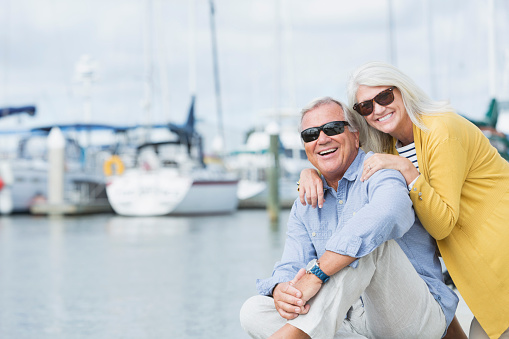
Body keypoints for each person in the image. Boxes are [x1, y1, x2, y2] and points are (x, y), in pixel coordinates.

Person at [298, 62, 509, 339]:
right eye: (366, 107)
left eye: (384, 97)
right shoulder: (388, 146)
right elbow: (347, 163)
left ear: (402, 91)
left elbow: (442, 224)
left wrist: (407, 171)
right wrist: (310, 173)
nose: (378, 109)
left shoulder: (441, 130)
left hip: (498, 250)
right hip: (471, 263)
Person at [240, 97, 458, 339]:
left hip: (412, 318)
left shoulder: (379, 170)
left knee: (367, 244)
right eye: (311, 135)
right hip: (351, 321)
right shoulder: (305, 200)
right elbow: (292, 263)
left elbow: (390, 211)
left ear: (355, 136)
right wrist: (282, 290)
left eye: (332, 128)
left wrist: (317, 273)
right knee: (254, 311)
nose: (321, 139)